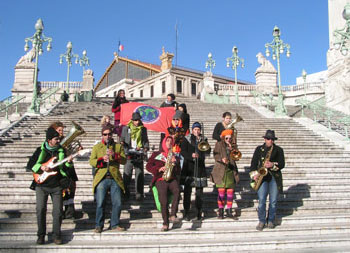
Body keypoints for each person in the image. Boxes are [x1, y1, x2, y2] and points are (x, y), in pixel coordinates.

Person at [31, 127, 73, 245]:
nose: (58, 141)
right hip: (42, 185)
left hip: (57, 185)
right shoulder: (40, 150)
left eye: (59, 139)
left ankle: (57, 235)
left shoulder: (62, 151)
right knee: (40, 209)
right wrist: (41, 167)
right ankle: (41, 235)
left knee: (58, 211)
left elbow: (67, 169)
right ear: (49, 140)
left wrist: (69, 163)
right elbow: (30, 164)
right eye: (56, 139)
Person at [89, 125, 127, 233]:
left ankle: (114, 223)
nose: (107, 136)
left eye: (109, 134)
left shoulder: (118, 146)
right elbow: (92, 161)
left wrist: (114, 155)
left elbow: (124, 160)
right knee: (100, 202)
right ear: (102, 135)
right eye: (105, 134)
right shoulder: (97, 147)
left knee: (118, 202)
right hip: (102, 177)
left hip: (114, 177)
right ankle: (99, 225)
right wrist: (101, 160)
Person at [250, 130, 285, 231]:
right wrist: (254, 175)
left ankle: (270, 220)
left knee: (273, 201)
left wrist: (272, 165)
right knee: (261, 201)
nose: (271, 141)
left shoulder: (279, 150)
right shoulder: (259, 149)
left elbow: (282, 164)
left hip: (274, 177)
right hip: (262, 178)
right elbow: (253, 163)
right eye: (269, 139)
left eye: (272, 139)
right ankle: (261, 220)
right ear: (265, 139)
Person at [146, 136, 181, 231]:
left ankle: (173, 214)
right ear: (163, 142)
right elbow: (148, 166)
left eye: (171, 141)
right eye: (167, 141)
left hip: (171, 178)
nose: (169, 143)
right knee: (163, 200)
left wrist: (176, 163)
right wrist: (158, 169)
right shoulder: (156, 154)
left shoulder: (174, 155)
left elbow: (178, 172)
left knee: (177, 191)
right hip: (160, 179)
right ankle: (165, 223)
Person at [180, 122, 211, 221]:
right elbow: (183, 151)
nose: (197, 131)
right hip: (189, 168)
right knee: (187, 192)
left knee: (199, 192)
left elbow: (208, 151)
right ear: (192, 130)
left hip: (200, 168)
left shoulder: (203, 139)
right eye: (195, 130)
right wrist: (191, 155)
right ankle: (186, 211)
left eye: (198, 130)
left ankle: (199, 211)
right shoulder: (187, 139)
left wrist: (204, 147)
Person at [50, 121, 79, 220]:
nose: (62, 132)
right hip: (60, 169)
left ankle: (70, 212)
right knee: (62, 191)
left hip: (69, 168)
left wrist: (76, 150)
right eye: (59, 130)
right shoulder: (52, 142)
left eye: (62, 130)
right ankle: (61, 212)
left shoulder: (66, 140)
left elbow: (70, 152)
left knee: (71, 190)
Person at [210, 129, 239, 219]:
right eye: (227, 138)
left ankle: (229, 211)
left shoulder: (233, 146)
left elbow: (237, 157)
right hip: (221, 170)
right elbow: (215, 154)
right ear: (223, 138)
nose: (228, 140)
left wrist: (232, 150)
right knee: (221, 192)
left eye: (230, 138)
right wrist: (221, 159)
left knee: (230, 192)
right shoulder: (219, 144)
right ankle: (221, 211)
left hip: (230, 170)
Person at [120, 112, 149, 201]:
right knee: (127, 174)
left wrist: (145, 148)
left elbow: (145, 140)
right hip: (129, 153)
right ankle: (125, 193)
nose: (137, 122)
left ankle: (139, 193)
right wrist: (123, 143)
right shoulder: (126, 128)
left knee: (139, 174)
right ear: (132, 120)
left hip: (138, 153)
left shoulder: (143, 129)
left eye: (138, 120)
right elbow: (122, 139)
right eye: (135, 120)